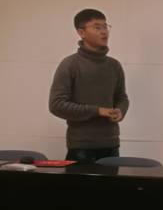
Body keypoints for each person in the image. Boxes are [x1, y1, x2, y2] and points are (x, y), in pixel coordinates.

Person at [49, 9, 129, 163]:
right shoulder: (70, 64)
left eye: (105, 26)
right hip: (81, 147)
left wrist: (121, 110)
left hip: (111, 144)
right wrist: (97, 111)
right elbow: (56, 105)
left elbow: (122, 97)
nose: (104, 32)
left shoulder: (114, 65)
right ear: (81, 32)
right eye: (97, 27)